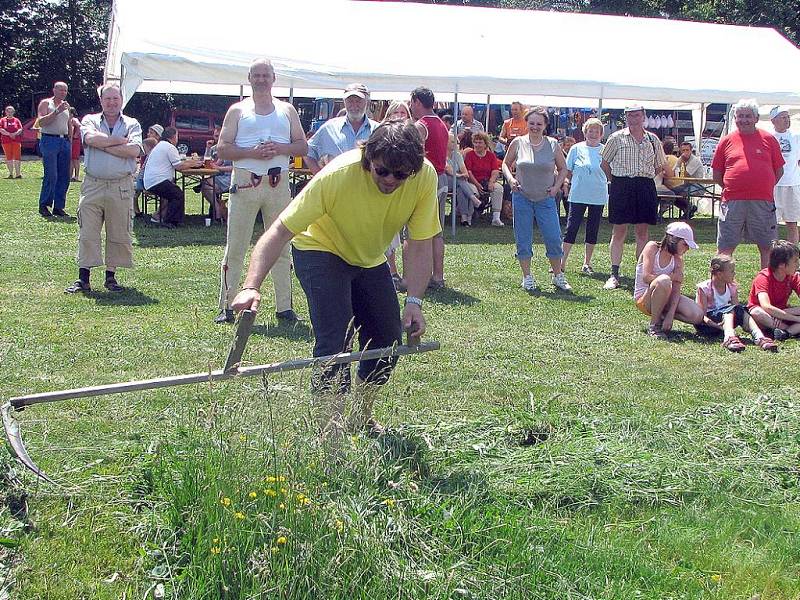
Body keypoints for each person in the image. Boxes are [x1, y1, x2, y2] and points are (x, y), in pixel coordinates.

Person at [230, 121, 440, 438]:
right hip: (320, 249)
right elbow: (280, 231)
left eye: (401, 174)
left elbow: (421, 242)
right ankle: (330, 432)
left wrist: (414, 302)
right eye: (383, 171)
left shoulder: (424, 175)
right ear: (368, 158)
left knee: (386, 340)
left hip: (368, 256)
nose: (391, 180)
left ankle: (360, 416)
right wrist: (250, 286)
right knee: (335, 342)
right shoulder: (338, 176)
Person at [214, 58, 308, 324]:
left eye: (266, 75)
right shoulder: (237, 110)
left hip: (278, 185)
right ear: (249, 78)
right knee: (236, 245)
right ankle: (227, 305)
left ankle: (284, 306)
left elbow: (302, 146)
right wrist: (251, 153)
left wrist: (280, 149)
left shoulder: (287, 110)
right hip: (245, 182)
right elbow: (222, 149)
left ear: (274, 78)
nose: (261, 80)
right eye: (257, 75)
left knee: (282, 244)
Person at [64, 84, 143, 294]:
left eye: (115, 98)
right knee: (87, 230)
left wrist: (103, 144)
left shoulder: (132, 123)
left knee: (119, 230)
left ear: (121, 100)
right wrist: (118, 142)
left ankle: (111, 277)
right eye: (107, 99)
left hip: (121, 186)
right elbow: (89, 139)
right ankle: (84, 279)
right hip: (93, 184)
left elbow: (134, 150)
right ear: (101, 101)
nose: (111, 102)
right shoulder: (89, 120)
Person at [502, 106, 571, 292]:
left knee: (553, 237)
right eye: (531, 123)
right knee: (523, 238)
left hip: (546, 199)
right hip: (522, 197)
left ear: (545, 125)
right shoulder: (517, 142)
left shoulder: (552, 144)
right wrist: (510, 179)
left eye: (538, 123)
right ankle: (527, 277)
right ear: (527, 123)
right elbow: (505, 164)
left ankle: (558, 275)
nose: (534, 126)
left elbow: (563, 168)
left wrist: (556, 188)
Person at [601, 105, 667, 290]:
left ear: (643, 116)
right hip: (621, 185)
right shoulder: (616, 138)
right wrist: (615, 181)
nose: (633, 119)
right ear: (625, 117)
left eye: (636, 115)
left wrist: (644, 177)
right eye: (629, 115)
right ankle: (614, 274)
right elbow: (604, 163)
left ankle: (641, 274)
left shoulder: (653, 139)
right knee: (619, 231)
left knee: (642, 233)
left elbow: (659, 166)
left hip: (645, 186)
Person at [712, 99, 784, 268]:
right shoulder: (726, 141)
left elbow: (779, 171)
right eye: (740, 116)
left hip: (763, 202)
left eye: (748, 116)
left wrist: (762, 185)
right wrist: (735, 186)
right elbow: (717, 174)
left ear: (756, 118)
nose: (743, 120)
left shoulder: (769, 139)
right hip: (732, 201)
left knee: (767, 246)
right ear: (735, 118)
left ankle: (764, 287)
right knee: (725, 247)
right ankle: (720, 289)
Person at [632, 221, 703, 339]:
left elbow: (676, 291)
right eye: (685, 244)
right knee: (664, 280)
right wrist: (672, 277)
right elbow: (646, 277)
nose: (687, 249)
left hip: (666, 295)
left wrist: (671, 314)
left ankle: (662, 315)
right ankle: (655, 325)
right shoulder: (652, 247)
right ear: (673, 240)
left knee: (697, 315)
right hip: (644, 299)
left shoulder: (678, 260)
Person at [695, 255, 777, 352]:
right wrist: (718, 326)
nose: (734, 273)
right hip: (708, 325)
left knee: (740, 310)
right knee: (730, 310)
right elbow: (702, 316)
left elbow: (736, 308)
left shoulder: (731, 287)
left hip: (726, 321)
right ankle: (729, 338)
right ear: (720, 274)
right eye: (731, 271)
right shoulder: (704, 288)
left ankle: (759, 337)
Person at [410, 87, 449, 289]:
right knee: (437, 232)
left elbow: (412, 156)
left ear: (417, 101)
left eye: (411, 102)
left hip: (426, 181)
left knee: (419, 231)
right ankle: (438, 276)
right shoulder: (442, 124)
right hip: (441, 178)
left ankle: (417, 277)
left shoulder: (421, 125)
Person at [561, 117, 608, 275]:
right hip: (578, 194)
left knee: (592, 229)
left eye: (597, 131)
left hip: (598, 195)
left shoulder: (606, 150)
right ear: (585, 132)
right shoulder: (576, 149)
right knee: (571, 228)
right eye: (590, 130)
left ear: (601, 134)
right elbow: (567, 171)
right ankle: (561, 262)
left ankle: (587, 263)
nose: (593, 133)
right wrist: (566, 183)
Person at [305, 83, 379, 175]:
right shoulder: (329, 128)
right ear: (344, 102)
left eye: (358, 101)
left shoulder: (378, 131)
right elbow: (307, 151)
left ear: (367, 102)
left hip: (368, 186)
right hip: (335, 187)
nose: (354, 105)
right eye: (350, 101)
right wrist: (319, 177)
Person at [144, 126, 202, 228]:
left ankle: (166, 218)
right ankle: (170, 222)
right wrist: (194, 163)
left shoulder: (161, 145)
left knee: (174, 192)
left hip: (151, 180)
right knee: (177, 194)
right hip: (157, 181)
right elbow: (178, 166)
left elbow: (177, 163)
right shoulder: (169, 147)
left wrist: (190, 163)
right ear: (174, 136)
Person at [747, 240, 800, 341]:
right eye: (795, 261)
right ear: (781, 265)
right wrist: (796, 319)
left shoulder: (793, 276)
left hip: (782, 314)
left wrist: (783, 313)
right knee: (756, 312)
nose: (798, 265)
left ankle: (785, 333)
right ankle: (791, 330)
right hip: (767, 316)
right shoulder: (763, 277)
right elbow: (766, 306)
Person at [37, 81, 72, 218]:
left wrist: (70, 138)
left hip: (64, 141)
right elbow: (41, 122)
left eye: (65, 90)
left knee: (64, 175)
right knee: (51, 174)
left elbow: (69, 123)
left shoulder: (66, 106)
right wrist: (57, 111)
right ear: (54, 90)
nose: (63, 93)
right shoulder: (46, 103)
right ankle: (44, 205)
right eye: (60, 90)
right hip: (49, 139)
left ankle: (59, 207)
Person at [768, 106, 800, 244]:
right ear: (773, 121)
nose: (787, 120)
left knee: (792, 222)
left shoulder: (796, 137)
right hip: (774, 185)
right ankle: (772, 254)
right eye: (783, 117)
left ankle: (793, 254)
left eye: (788, 117)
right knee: (771, 223)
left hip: (792, 184)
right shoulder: (769, 137)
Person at [463, 131, 504, 227]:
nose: (477, 144)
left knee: (498, 188)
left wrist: (491, 182)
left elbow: (495, 170)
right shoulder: (470, 155)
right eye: (475, 142)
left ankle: (496, 218)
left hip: (487, 181)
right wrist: (477, 185)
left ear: (485, 144)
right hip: (473, 182)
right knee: (473, 191)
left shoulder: (491, 155)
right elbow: (468, 172)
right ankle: (471, 215)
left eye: (480, 142)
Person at [446, 134, 481, 227]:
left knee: (461, 189)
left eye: (457, 142)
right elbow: (449, 171)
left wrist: (460, 175)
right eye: (453, 142)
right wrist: (459, 175)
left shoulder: (457, 155)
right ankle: (473, 200)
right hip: (446, 181)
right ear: (446, 142)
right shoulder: (441, 155)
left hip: (459, 182)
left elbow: (465, 172)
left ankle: (465, 219)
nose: (456, 144)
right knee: (460, 181)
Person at [200, 126, 233, 223]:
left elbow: (236, 168)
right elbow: (217, 162)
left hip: (232, 178)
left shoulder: (233, 148)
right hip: (221, 176)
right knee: (205, 185)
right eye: (215, 136)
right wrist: (208, 149)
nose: (217, 138)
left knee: (206, 185)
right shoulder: (221, 148)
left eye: (219, 136)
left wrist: (218, 168)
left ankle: (217, 211)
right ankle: (218, 209)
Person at [133, 124, 163, 217]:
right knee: (131, 182)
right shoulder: (147, 145)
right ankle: (135, 210)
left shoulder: (157, 148)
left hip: (150, 177)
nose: (148, 134)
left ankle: (136, 211)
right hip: (144, 174)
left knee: (133, 183)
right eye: (148, 132)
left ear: (158, 136)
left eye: (151, 133)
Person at [0, 105, 23, 179]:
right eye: (8, 111)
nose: (9, 113)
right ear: (5, 112)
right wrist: (9, 134)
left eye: (11, 111)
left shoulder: (16, 120)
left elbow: (20, 129)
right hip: (6, 141)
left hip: (16, 141)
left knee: (17, 157)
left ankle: (18, 174)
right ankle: (10, 174)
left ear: (14, 112)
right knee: (8, 157)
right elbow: (1, 129)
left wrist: (15, 134)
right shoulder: (2, 120)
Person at [68, 107, 82, 182]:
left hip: (75, 141)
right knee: (70, 159)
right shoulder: (68, 120)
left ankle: (76, 176)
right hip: (70, 140)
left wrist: (76, 134)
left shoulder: (74, 120)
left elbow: (79, 126)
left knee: (75, 159)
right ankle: (70, 176)